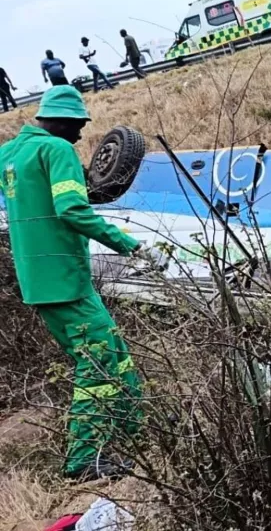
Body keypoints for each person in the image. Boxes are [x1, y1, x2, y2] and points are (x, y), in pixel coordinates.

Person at [0, 86, 168, 482]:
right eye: (77, 127)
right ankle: (84, 460)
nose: (79, 138)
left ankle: (134, 429)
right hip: (65, 279)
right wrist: (131, 245)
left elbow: (41, 198)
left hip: (40, 278)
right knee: (96, 362)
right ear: (62, 121)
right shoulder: (56, 150)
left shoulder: (10, 152)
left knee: (114, 348)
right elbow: (73, 209)